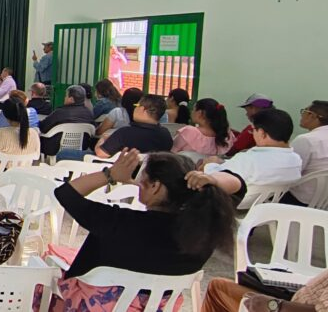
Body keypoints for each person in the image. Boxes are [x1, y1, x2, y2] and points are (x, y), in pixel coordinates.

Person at [51, 150, 236, 310]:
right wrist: (210, 179)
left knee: (44, 273)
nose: (138, 183)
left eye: (142, 178)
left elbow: (66, 193)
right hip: (156, 307)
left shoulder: (119, 221)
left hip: (90, 306)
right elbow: (239, 184)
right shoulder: (205, 232)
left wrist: (111, 174)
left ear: (155, 186)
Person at [200, 109, 301, 188]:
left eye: (253, 130)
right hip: (263, 203)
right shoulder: (296, 159)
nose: (252, 134)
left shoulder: (249, 159)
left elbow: (212, 178)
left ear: (262, 133)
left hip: (232, 203)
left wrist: (211, 164)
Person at [0, 99, 40, 187]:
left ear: (5, 115)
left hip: (0, 175)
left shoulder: (0, 133)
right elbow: (37, 156)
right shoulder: (33, 133)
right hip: (23, 174)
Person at [200, 269, 328, 312]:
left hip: (288, 308)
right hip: (295, 298)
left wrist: (275, 306)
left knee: (218, 293)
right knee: (219, 287)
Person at [94, 94, 173, 158]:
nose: (134, 108)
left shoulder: (124, 133)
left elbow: (101, 153)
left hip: (121, 175)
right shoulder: (165, 134)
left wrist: (102, 139)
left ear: (142, 109)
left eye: (136, 105)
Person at [283, 101, 328, 206]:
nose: (302, 115)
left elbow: (289, 172)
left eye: (304, 111)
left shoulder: (306, 140)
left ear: (311, 115)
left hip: (301, 200)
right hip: (325, 202)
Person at [39, 85, 95, 157]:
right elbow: (93, 130)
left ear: (71, 99)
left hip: (55, 148)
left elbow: (43, 127)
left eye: (66, 96)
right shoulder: (89, 113)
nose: (64, 98)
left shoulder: (60, 112)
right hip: (82, 147)